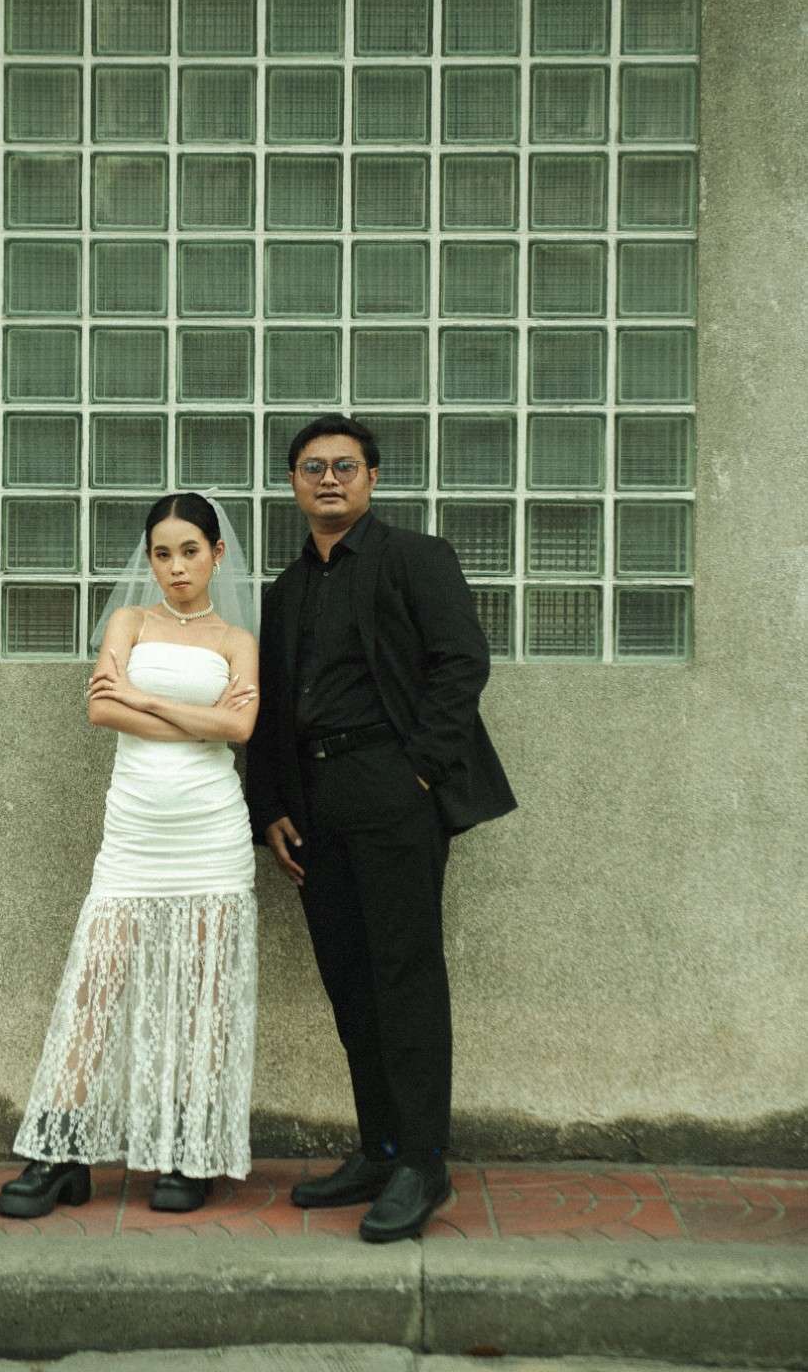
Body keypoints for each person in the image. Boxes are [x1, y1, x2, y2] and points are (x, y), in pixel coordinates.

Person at [245, 415, 517, 1244]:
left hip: (391, 788)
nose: (328, 479)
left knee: (404, 975)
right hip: (313, 799)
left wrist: (419, 773)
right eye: (311, 467)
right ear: (292, 483)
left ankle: (422, 1165)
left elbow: (461, 662)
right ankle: (380, 1149)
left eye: (344, 466)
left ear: (370, 478)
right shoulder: (285, 591)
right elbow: (271, 706)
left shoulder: (415, 558)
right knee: (349, 979)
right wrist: (269, 806)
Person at [0, 492, 260, 1219]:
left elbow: (242, 728)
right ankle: (60, 1152)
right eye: (162, 553)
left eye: (190, 551)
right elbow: (101, 708)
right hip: (135, 833)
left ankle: (188, 1153)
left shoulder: (237, 640)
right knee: (94, 986)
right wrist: (201, 718)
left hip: (210, 834)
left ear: (217, 554)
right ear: (149, 560)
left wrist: (150, 701)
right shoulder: (130, 623)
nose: (176, 567)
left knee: (204, 995)